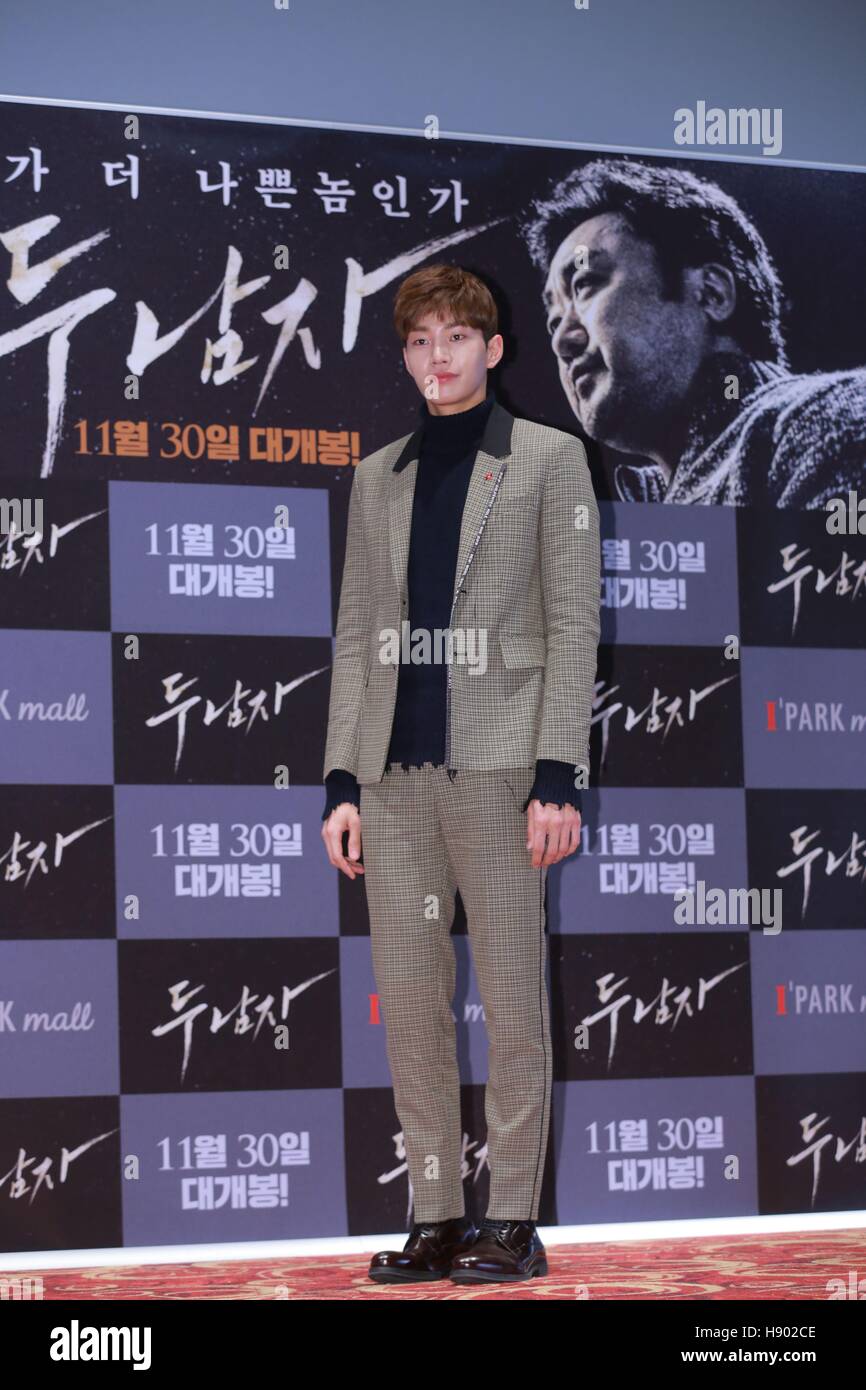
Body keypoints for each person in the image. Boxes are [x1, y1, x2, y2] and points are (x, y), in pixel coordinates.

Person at [320, 264, 601, 1283]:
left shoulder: (546, 460)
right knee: (414, 1007)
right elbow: (356, 637)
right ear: (404, 357)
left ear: (491, 349)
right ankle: (437, 1213)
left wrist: (555, 775)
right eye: (417, 342)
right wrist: (341, 782)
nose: (434, 358)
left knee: (515, 1007)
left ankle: (512, 1222)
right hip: (394, 781)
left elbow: (573, 627)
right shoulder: (377, 474)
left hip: (499, 770)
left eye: (454, 339)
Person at [521, 157, 866, 506]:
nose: (561, 340)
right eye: (553, 319)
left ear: (711, 293)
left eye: (585, 285)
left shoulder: (826, 420)